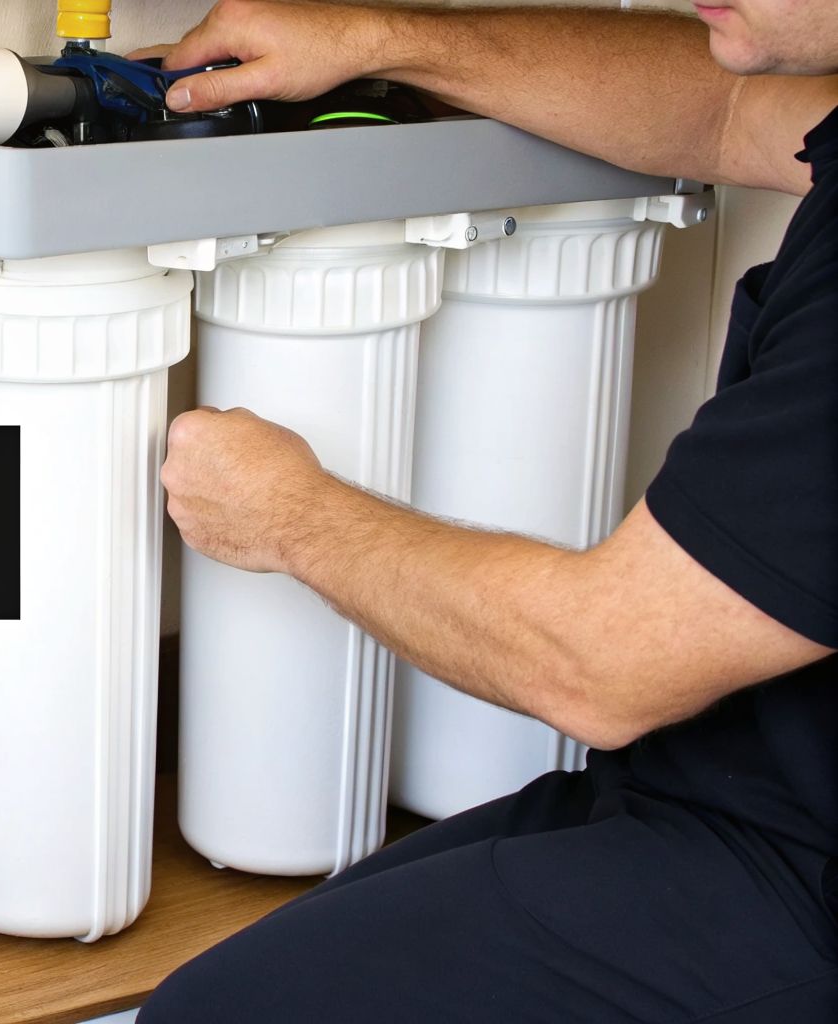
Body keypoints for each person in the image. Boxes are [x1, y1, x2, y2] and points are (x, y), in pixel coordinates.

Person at [137, 2, 838, 1020]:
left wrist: (290, 516)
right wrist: (380, 41)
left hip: (792, 882)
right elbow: (727, 108)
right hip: (709, 784)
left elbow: (603, 661)